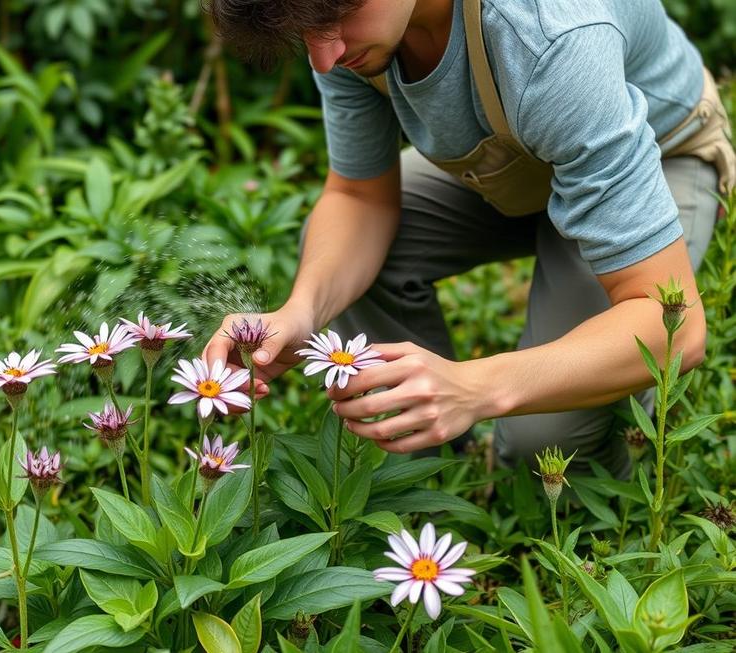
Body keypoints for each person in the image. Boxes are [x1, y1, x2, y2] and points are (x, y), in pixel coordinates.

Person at [200, 0, 735, 478]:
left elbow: (675, 329)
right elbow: (360, 198)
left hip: (660, 159)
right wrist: (303, 311)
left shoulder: (549, 36)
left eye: (338, 14)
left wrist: (476, 387)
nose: (323, 56)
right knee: (339, 263)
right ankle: (425, 473)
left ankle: (580, 465)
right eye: (306, 31)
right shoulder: (343, 32)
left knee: (543, 449)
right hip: (514, 167)